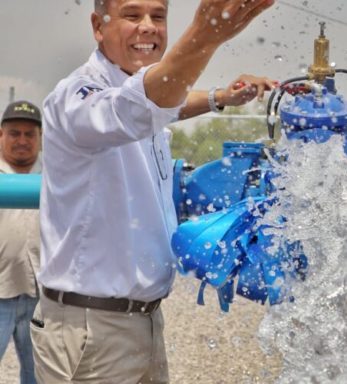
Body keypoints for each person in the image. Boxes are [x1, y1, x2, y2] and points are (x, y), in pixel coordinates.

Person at [33, 0, 277, 382]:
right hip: (92, 330)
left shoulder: (137, 92)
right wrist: (204, 36)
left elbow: (165, 104)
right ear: (99, 26)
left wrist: (220, 98)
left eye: (158, 17)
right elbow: (139, 106)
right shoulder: (76, 96)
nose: (148, 26)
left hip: (142, 319)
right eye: (132, 15)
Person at [0, 100, 43, 384]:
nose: (22, 140)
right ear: (0, 135)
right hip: (0, 293)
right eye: (14, 133)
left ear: (40, 138)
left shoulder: (57, 177)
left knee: (40, 376)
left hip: (43, 297)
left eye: (30, 134)